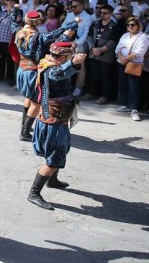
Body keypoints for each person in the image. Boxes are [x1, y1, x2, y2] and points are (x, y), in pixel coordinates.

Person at [27, 42, 87, 210]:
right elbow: (58, 74)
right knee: (54, 158)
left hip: (59, 118)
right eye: (67, 56)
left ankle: (52, 180)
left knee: (62, 150)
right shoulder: (50, 69)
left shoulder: (49, 62)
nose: (68, 58)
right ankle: (34, 193)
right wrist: (73, 62)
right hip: (53, 120)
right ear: (61, 57)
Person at [10, 8, 78, 141]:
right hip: (32, 72)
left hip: (21, 70)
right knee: (37, 101)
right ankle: (24, 132)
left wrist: (16, 9)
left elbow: (12, 20)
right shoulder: (38, 37)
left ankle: (25, 125)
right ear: (37, 23)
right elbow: (55, 33)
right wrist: (73, 24)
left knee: (29, 98)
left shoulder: (18, 31)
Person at [115, 17, 148, 121]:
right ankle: (125, 104)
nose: (130, 26)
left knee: (134, 87)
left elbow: (139, 52)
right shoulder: (125, 35)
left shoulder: (143, 37)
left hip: (134, 63)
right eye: (128, 25)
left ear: (138, 25)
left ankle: (134, 109)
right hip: (122, 62)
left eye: (133, 25)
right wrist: (121, 58)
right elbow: (118, 48)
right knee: (123, 84)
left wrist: (127, 59)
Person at [86, 5, 118, 105]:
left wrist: (101, 49)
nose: (102, 15)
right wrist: (92, 48)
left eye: (105, 13)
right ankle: (92, 92)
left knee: (105, 76)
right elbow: (89, 36)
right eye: (101, 13)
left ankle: (104, 96)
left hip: (106, 55)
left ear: (110, 14)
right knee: (93, 74)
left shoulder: (114, 26)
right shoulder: (95, 23)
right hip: (93, 53)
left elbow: (113, 41)